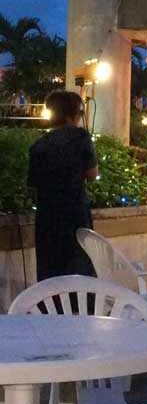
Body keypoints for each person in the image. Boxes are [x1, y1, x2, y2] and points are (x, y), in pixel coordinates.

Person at [28, 90, 98, 282]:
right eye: (80, 112)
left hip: (47, 215)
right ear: (70, 115)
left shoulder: (38, 145)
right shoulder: (80, 137)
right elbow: (92, 174)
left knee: (51, 269)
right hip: (75, 211)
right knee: (78, 267)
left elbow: (33, 184)